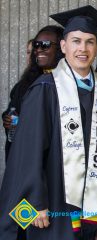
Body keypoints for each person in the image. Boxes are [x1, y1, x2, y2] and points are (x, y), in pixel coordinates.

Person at [0, 5, 97, 240]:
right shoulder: (45, 89)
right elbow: (27, 150)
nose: (82, 49)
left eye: (89, 42)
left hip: (91, 210)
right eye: (75, 41)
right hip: (50, 205)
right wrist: (35, 200)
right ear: (63, 47)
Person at [2, 25, 64, 160]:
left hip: (56, 158)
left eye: (45, 45)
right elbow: (13, 111)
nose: (38, 49)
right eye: (36, 45)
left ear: (61, 48)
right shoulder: (25, 84)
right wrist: (8, 118)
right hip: (27, 155)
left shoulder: (68, 84)